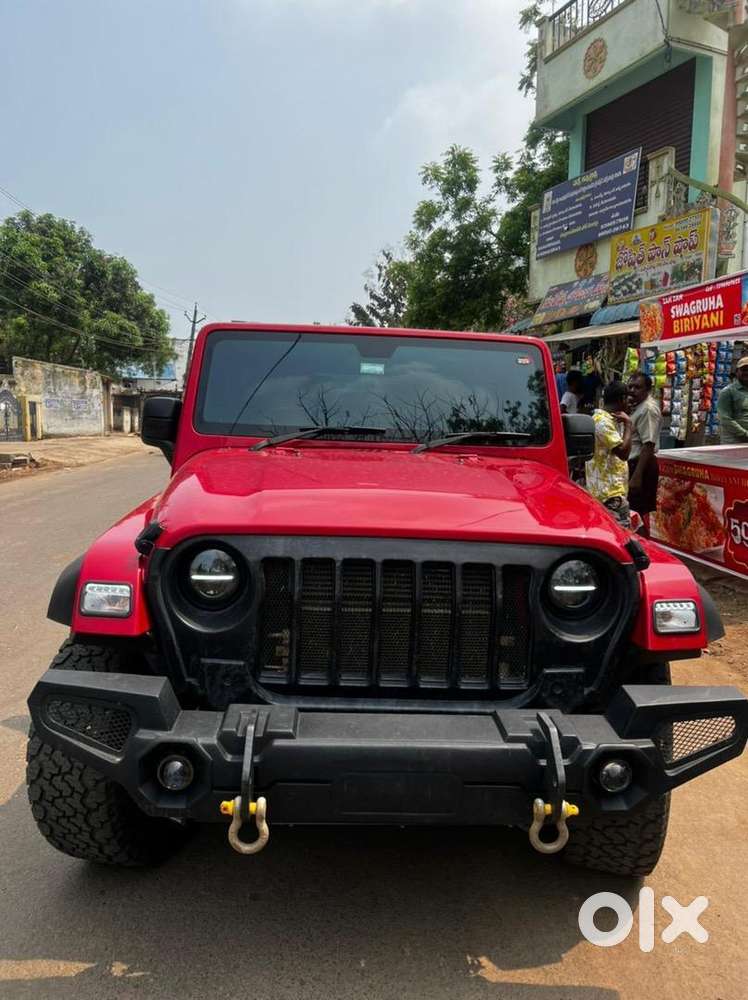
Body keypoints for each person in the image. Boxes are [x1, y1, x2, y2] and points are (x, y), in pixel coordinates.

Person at [585, 381, 633, 529]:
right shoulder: (603, 423)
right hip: (609, 496)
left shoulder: (608, 420)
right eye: (628, 399)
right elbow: (624, 453)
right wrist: (629, 425)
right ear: (622, 399)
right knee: (622, 539)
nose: (630, 403)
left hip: (609, 493)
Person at [627, 371, 662, 536]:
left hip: (642, 466)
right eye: (630, 387)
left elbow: (648, 444)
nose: (633, 390)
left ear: (647, 389)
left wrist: (637, 476)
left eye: (637, 387)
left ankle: (645, 552)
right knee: (632, 513)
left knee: (638, 514)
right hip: (634, 465)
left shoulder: (648, 409)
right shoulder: (636, 407)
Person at [717, 356, 748, 443]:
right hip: (734, 442)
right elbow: (725, 419)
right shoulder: (728, 391)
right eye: (744, 370)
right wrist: (745, 434)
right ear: (737, 372)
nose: (747, 372)